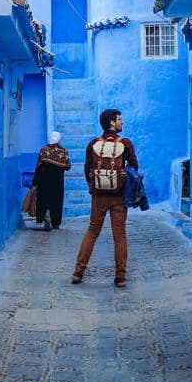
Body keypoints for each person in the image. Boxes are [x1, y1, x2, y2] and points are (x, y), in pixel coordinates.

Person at [72, 108, 138, 288]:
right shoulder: (126, 144)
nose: (122, 122)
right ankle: (120, 277)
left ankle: (78, 272)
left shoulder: (93, 144)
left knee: (92, 231)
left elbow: (87, 169)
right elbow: (134, 167)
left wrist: (94, 188)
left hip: (99, 196)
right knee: (120, 235)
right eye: (119, 119)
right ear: (112, 122)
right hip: (118, 196)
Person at [32, 131, 71, 231]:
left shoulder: (44, 150)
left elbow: (39, 166)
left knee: (43, 200)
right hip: (57, 182)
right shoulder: (64, 151)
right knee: (56, 202)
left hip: (44, 181)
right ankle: (55, 223)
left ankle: (45, 216)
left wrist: (34, 181)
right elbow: (67, 167)